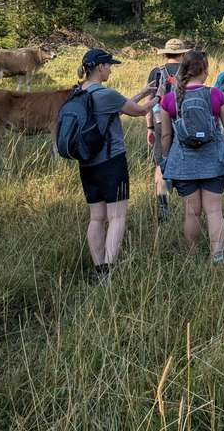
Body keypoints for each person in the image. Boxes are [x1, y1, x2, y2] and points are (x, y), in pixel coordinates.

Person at [77, 48, 156, 280]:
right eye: (109, 65)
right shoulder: (105, 94)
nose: (111, 69)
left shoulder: (77, 93)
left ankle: (98, 267)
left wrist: (142, 91)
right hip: (111, 162)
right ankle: (109, 271)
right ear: (100, 67)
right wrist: (158, 97)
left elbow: (119, 107)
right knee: (117, 216)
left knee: (96, 218)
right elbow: (139, 112)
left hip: (87, 163)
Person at [160, 50, 224, 261]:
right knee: (214, 211)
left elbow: (166, 134)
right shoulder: (216, 95)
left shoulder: (170, 99)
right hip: (213, 160)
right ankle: (218, 256)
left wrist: (166, 159)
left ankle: (191, 255)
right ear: (204, 70)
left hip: (184, 163)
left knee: (191, 212)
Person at [145, 38, 191, 222]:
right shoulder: (188, 70)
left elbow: (149, 102)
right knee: (186, 159)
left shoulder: (156, 72)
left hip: (158, 120)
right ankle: (189, 203)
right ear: (182, 54)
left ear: (165, 53)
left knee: (160, 162)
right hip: (183, 121)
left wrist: (149, 126)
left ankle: (163, 206)